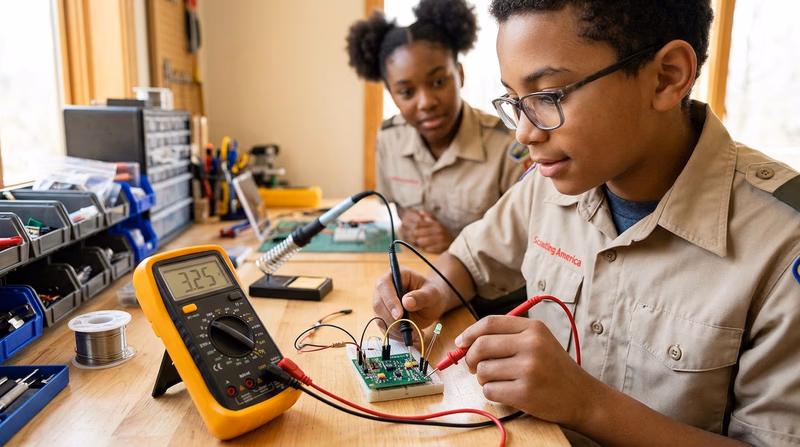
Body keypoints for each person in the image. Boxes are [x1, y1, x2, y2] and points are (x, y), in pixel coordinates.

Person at [372, 0, 800, 445]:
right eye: (515, 100)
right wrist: (432, 292)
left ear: (667, 76)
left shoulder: (782, 242)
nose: (523, 132)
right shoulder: (549, 181)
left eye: (548, 96)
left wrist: (586, 404)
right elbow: (470, 258)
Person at [346, 0, 531, 255]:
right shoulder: (389, 138)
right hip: (417, 271)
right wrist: (409, 222)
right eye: (407, 92)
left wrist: (457, 245)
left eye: (439, 81)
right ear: (391, 94)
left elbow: (530, 239)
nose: (426, 103)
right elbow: (395, 203)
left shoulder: (508, 146)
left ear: (461, 75)